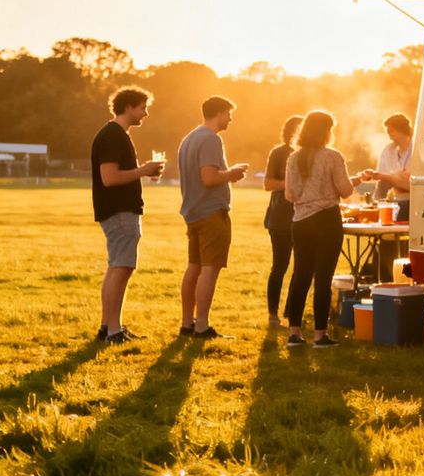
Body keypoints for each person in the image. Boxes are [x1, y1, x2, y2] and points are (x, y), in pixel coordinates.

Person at [90, 86, 166, 344]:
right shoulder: (113, 135)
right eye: (143, 108)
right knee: (121, 267)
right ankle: (113, 331)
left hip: (120, 210)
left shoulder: (116, 134)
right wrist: (144, 170)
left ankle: (109, 327)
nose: (146, 113)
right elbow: (109, 178)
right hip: (119, 211)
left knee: (119, 267)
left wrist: (144, 171)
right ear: (128, 107)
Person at [284, 111, 362, 348]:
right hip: (327, 220)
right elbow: (345, 190)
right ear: (326, 131)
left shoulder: (293, 158)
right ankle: (319, 335)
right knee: (323, 279)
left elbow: (289, 194)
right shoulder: (332, 156)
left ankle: (294, 334)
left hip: (300, 221)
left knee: (301, 276)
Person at [177, 95, 248, 340]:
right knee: (209, 269)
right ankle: (202, 326)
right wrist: (232, 174)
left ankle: (187, 323)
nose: (230, 119)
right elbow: (208, 178)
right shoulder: (211, 139)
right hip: (211, 212)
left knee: (194, 267)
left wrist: (227, 173)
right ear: (218, 113)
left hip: (193, 212)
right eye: (228, 113)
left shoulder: (189, 138)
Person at [263, 115, 304, 327]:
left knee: (302, 268)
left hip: (305, 217)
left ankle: (291, 312)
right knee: (280, 266)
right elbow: (268, 184)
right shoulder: (279, 153)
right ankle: (273, 314)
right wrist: (291, 183)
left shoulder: (310, 154)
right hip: (280, 217)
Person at [362, 113, 412, 222]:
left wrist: (384, 176)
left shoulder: (416, 149)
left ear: (402, 130)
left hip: (414, 201)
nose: (389, 135)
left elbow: (409, 182)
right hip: (394, 201)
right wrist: (371, 176)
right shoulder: (388, 151)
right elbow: (381, 178)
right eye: (388, 132)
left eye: (391, 131)